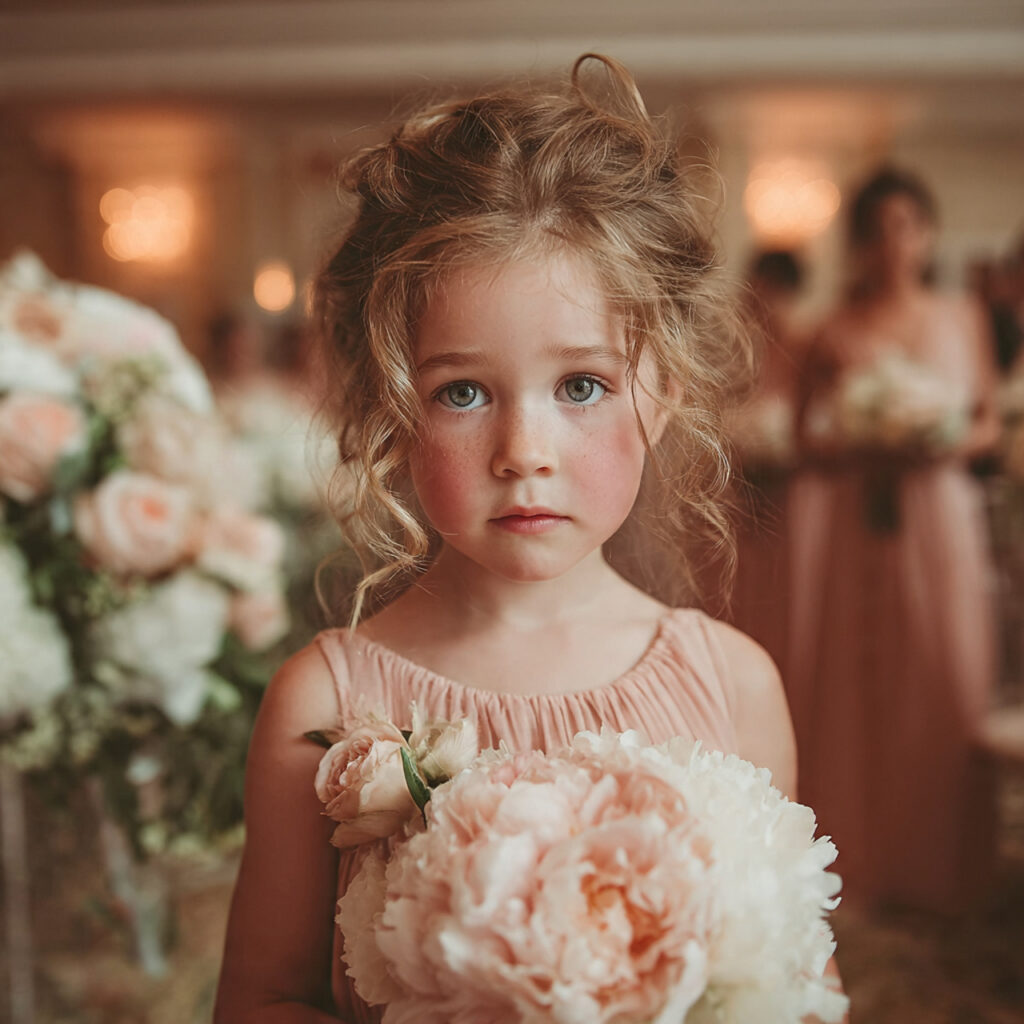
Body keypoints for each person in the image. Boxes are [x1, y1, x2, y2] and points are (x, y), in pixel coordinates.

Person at [214, 55, 837, 1021]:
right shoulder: (327, 703)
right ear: (394, 410)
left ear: (661, 394)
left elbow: (802, 980)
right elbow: (263, 997)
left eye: (580, 386)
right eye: (462, 392)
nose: (522, 452)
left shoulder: (736, 687)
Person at [787, 166, 1000, 914]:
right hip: (858, 519)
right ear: (858, 244)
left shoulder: (959, 313)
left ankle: (941, 858)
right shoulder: (834, 329)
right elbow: (805, 439)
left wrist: (939, 442)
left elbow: (988, 422)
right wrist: (860, 442)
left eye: (907, 226)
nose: (893, 243)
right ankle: (860, 851)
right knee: (857, 674)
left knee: (941, 667)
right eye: (876, 230)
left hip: (938, 516)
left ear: (928, 234)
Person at [725, 249, 807, 678]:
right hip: (739, 488)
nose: (760, 302)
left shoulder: (808, 348)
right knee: (739, 587)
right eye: (755, 291)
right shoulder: (735, 351)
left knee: (785, 588)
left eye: (771, 293)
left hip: (791, 494)